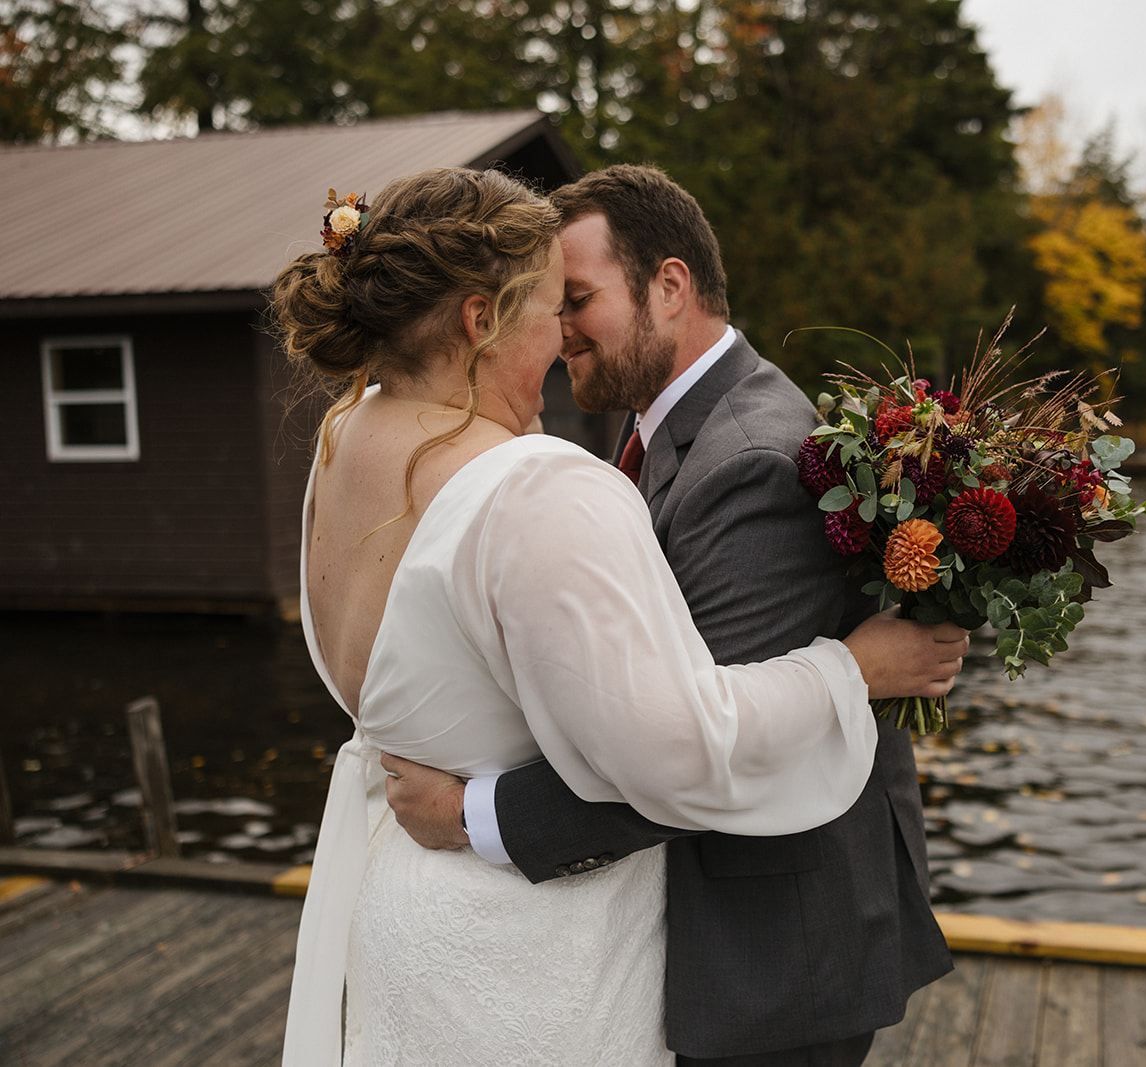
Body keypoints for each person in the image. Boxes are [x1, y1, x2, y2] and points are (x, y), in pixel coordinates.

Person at [272, 166, 967, 1065]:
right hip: (519, 937)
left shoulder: (347, 438)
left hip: (737, 947)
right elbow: (677, 746)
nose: (559, 338)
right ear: (480, 320)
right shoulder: (538, 470)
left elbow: (666, 747)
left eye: (577, 300)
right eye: (548, 307)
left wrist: (473, 810)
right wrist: (855, 668)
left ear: (670, 286)